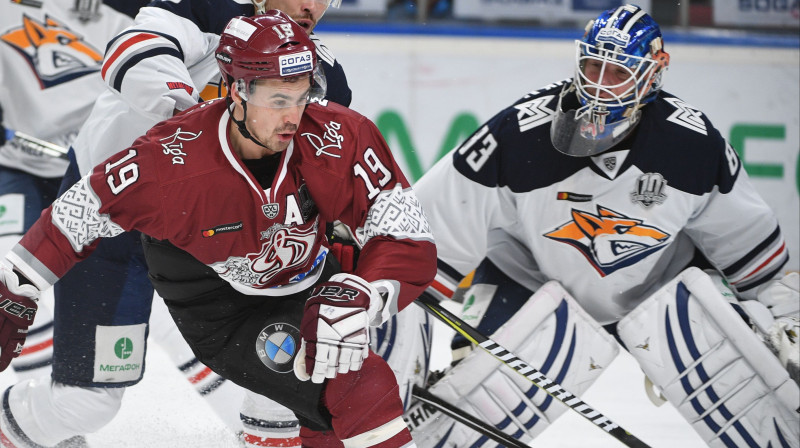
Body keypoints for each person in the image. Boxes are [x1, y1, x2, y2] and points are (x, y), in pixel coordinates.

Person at [0, 9, 436, 447]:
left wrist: (366, 288)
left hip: (274, 271)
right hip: (189, 279)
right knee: (85, 404)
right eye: (278, 100)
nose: (293, 118)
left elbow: (404, 231)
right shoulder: (170, 157)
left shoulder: (336, 131)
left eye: (302, 96)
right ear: (236, 91)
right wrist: (17, 285)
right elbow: (79, 211)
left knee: (343, 386)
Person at [409, 4, 799, 447]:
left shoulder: (692, 146)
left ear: (654, 72)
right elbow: (424, 237)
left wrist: (787, 320)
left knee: (767, 404)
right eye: (593, 64)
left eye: (617, 72)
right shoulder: (517, 134)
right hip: (529, 284)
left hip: (663, 297)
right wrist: (399, 326)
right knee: (468, 415)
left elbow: (757, 258)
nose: (599, 83)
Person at [0, 0, 140, 384]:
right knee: (10, 278)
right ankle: (40, 409)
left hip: (90, 172)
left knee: (127, 299)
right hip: (13, 167)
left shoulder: (133, 13)